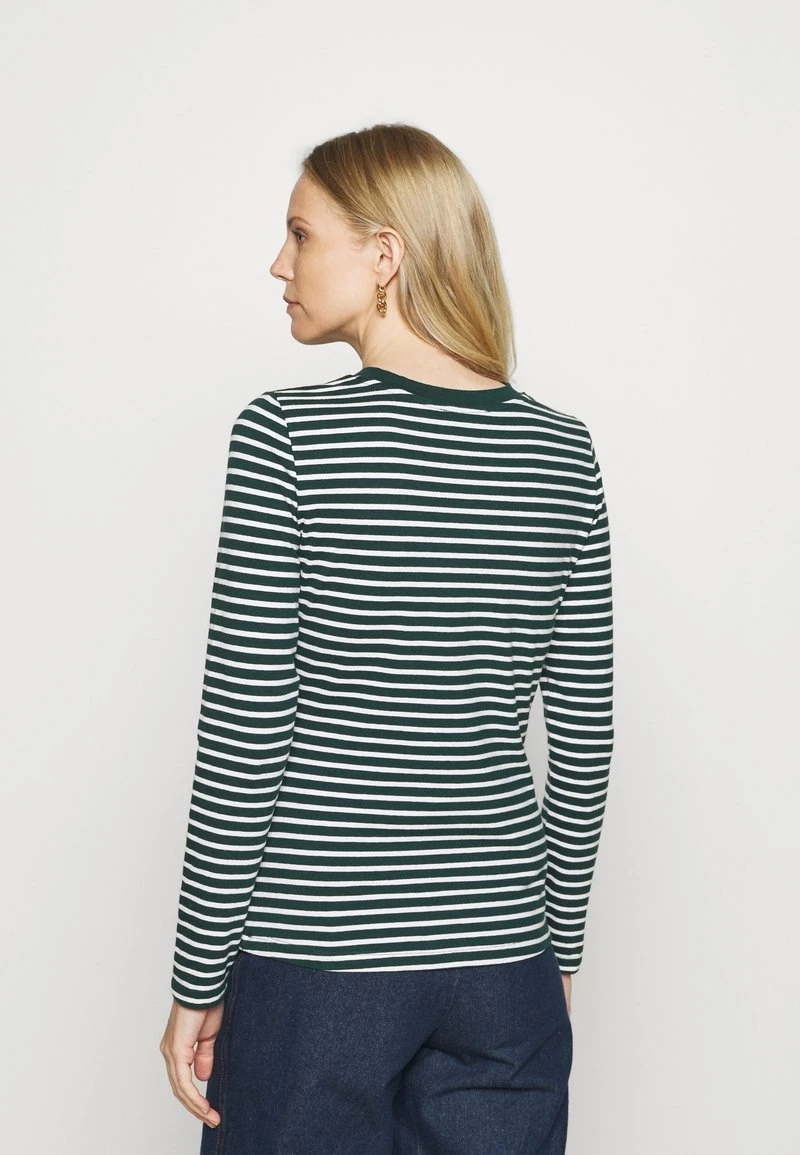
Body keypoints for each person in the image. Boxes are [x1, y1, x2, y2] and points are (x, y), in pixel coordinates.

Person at [160, 122, 613, 1154]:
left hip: (318, 966)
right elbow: (582, 741)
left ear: (383, 254)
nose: (278, 264)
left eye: (299, 233)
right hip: (504, 969)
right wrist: (554, 957)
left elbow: (245, 733)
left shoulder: (286, 439)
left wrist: (197, 977)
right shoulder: (562, 453)